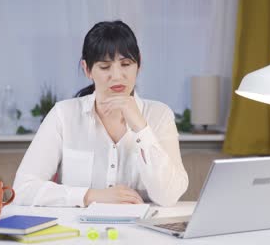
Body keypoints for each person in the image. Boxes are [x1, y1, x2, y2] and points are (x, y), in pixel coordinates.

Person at [12, 20, 188, 207]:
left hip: (141, 232)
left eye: (126, 64)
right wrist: (90, 196)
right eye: (105, 67)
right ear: (87, 69)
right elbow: (23, 189)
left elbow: (168, 196)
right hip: (79, 233)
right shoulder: (63, 115)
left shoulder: (159, 115)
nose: (117, 75)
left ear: (139, 63)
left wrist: (141, 128)